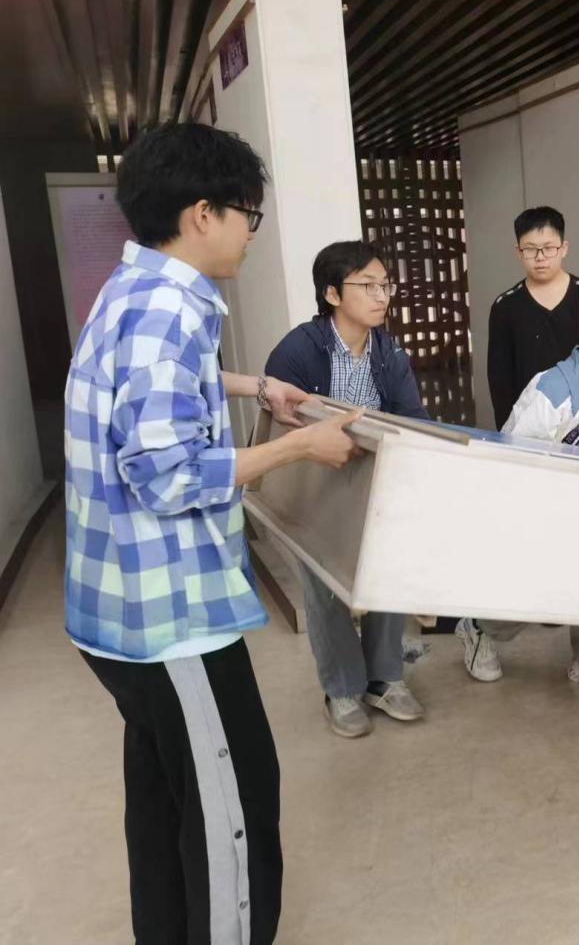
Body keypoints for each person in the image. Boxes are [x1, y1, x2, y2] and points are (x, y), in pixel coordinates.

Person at [65, 123, 363, 942]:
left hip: (118, 612)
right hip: (171, 618)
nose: (250, 232)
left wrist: (255, 387)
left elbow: (148, 386)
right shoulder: (169, 310)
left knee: (165, 796)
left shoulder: (131, 289)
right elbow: (164, 474)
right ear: (203, 214)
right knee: (232, 805)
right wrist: (300, 445)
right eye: (246, 214)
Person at [455, 291, 579, 699]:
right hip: (532, 498)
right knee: (540, 591)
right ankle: (479, 627)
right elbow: (518, 460)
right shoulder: (556, 388)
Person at [264, 240, 429, 737]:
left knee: (386, 574)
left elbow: (413, 418)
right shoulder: (298, 350)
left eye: (386, 285)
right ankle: (341, 689)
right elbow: (278, 424)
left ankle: (385, 678)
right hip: (314, 483)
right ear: (332, 294)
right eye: (368, 285)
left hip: (373, 480)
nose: (382, 296)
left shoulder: (389, 351)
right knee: (325, 587)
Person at [487, 206, 579, 428]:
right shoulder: (505, 307)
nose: (540, 257)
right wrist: (507, 432)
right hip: (530, 424)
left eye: (549, 248)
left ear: (564, 248)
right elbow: (500, 381)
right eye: (530, 249)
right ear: (518, 252)